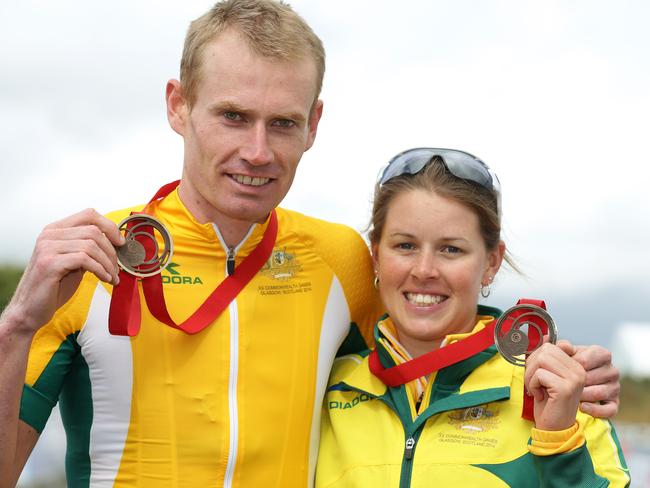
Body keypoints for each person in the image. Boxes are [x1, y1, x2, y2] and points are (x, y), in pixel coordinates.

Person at [0, 2, 619, 487]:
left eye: (284, 123)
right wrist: (17, 326)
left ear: (314, 125)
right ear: (178, 105)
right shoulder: (92, 258)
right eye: (233, 116)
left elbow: (435, 339)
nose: (258, 152)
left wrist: (569, 370)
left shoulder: (342, 260)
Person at [315, 148, 630, 487]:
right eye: (405, 246)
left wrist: (558, 443)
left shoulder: (557, 393)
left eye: (451, 249)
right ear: (376, 255)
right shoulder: (326, 387)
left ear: (492, 262)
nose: (424, 270)